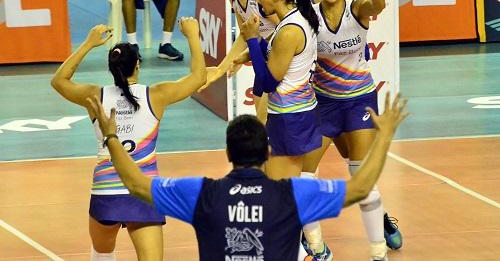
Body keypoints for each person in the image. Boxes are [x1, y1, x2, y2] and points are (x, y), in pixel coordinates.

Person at [87, 91, 408, 261]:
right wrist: (384, 136)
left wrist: (112, 137)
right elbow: (361, 186)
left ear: (228, 155)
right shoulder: (293, 194)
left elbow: (135, 183)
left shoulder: (202, 194)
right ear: (268, 152)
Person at [50, 18, 206, 261]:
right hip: (143, 191)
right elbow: (198, 78)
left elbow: (59, 81)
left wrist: (88, 44)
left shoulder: (94, 96)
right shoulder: (157, 94)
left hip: (105, 191)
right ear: (138, 65)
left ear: (112, 68)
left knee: (103, 253)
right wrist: (193, 36)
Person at [236, 0, 334, 260]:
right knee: (293, 186)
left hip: (291, 118)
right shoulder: (295, 19)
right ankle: (317, 248)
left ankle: (313, 251)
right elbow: (275, 63)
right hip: (297, 114)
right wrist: (256, 49)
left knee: (280, 195)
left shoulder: (289, 30)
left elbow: (268, 81)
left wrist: (252, 40)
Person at [305, 0, 399, 261]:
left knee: (361, 178)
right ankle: (318, 248)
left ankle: (378, 252)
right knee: (305, 177)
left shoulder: (356, 10)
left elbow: (378, 4)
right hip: (323, 104)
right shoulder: (309, 18)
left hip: (359, 100)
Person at [199, 0, 279, 123]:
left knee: (265, 119)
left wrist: (249, 55)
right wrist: (221, 69)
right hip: (266, 56)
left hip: (282, 61)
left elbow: (289, 28)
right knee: (261, 118)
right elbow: (245, 35)